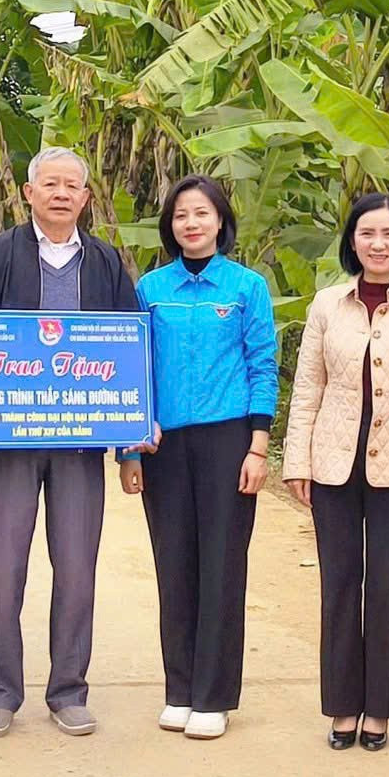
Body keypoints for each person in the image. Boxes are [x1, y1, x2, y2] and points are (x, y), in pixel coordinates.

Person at [0, 147, 139, 741]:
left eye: (71, 186)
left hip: (81, 442)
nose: (61, 194)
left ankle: (68, 692)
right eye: (49, 184)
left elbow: (129, 351)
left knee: (77, 568)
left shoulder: (105, 262)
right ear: (28, 193)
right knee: (3, 568)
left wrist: (131, 447)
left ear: (85, 197)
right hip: (9, 439)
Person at [282, 193, 389, 752]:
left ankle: (378, 708)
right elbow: (308, 387)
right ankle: (342, 706)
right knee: (339, 584)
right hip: (333, 460)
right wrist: (298, 460)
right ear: (352, 241)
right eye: (367, 234)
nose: (378, 244)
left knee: (384, 584)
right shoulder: (327, 304)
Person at [120, 174, 279, 742]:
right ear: (170, 225)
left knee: (221, 565)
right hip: (162, 444)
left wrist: (258, 445)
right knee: (174, 564)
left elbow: (263, 364)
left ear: (220, 221)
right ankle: (180, 690)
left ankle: (214, 696)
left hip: (227, 439)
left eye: (202, 213)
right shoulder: (150, 288)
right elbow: (132, 367)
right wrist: (129, 450)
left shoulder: (246, 287)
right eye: (181, 215)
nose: (191, 223)